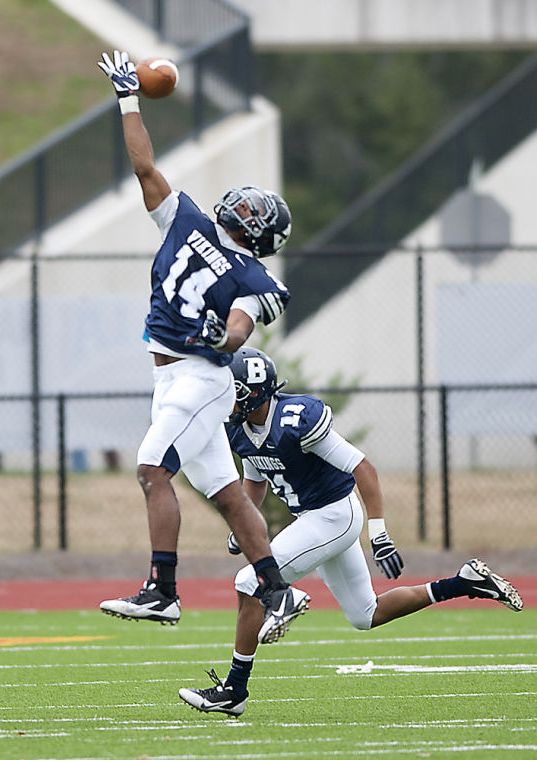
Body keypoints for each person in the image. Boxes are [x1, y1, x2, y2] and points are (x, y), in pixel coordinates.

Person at [179, 347, 523, 716]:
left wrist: (380, 533)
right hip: (314, 519)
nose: (228, 398)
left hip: (333, 515)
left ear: (258, 391)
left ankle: (235, 690)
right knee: (365, 614)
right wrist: (242, 522)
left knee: (250, 582)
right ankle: (465, 582)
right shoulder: (240, 430)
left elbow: (363, 468)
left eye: (236, 390)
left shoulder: (296, 419)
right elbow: (256, 478)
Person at [96, 50, 309, 645]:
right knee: (231, 496)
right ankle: (279, 590)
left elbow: (242, 326)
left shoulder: (257, 279)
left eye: (254, 211)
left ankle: (162, 591)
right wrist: (127, 98)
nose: (244, 205)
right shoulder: (185, 218)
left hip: (199, 377)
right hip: (172, 377)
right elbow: (144, 169)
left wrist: (224, 336)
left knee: (149, 470)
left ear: (259, 233)